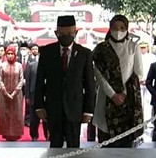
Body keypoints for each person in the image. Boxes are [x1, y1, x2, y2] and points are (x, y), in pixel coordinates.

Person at [34, 15, 96, 148]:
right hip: (53, 108)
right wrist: (39, 106)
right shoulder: (46, 52)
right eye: (62, 33)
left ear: (75, 33)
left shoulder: (84, 53)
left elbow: (90, 84)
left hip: (75, 109)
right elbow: (39, 82)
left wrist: (88, 110)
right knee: (54, 145)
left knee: (74, 146)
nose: (66, 36)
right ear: (56, 33)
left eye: (69, 33)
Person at [91, 15, 144, 148]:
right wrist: (113, 94)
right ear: (109, 28)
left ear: (127, 29)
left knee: (126, 145)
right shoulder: (101, 49)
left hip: (128, 103)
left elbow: (139, 74)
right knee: (106, 143)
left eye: (122, 28)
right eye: (114, 28)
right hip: (105, 99)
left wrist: (124, 94)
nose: (118, 31)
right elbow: (98, 74)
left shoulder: (133, 47)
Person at [0, 45, 25, 141]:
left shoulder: (19, 65)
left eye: (12, 54)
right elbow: (0, 80)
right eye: (8, 54)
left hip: (17, 95)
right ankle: (5, 133)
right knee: (5, 113)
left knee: (16, 113)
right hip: (4, 94)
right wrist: (5, 92)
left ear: (15, 54)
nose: (10, 56)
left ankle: (16, 133)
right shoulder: (2, 65)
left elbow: (21, 80)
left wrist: (14, 93)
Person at [24, 44, 48, 141]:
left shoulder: (50, 65)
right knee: (34, 117)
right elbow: (28, 81)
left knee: (47, 118)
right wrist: (27, 96)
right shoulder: (31, 65)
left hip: (46, 95)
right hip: (33, 94)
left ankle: (48, 135)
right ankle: (34, 135)